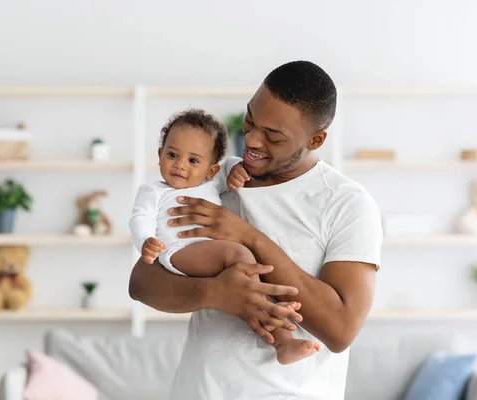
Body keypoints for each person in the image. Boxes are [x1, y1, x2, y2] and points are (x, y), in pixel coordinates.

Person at [129, 60, 383, 400]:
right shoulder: (214, 179)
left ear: (316, 139)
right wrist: (215, 293)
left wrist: (247, 236)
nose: (251, 140)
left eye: (273, 137)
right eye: (250, 121)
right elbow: (141, 282)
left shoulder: (346, 204)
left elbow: (341, 330)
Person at [129, 108, 321, 365]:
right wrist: (145, 241)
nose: (180, 165)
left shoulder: (211, 182)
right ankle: (282, 336)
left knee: (243, 286)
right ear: (160, 155)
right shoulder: (153, 191)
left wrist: (235, 171)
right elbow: (140, 217)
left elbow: (231, 162)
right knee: (239, 254)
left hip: (205, 252)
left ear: (210, 170)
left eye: (193, 161)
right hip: (177, 252)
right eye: (172, 155)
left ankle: (282, 342)